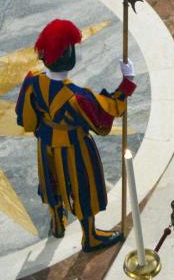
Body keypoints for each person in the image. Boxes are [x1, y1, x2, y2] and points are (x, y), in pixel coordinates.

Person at [16, 20, 137, 252]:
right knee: (83, 188)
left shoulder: (32, 80)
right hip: (75, 147)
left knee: (51, 183)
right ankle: (90, 236)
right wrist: (127, 82)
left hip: (46, 143)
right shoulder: (78, 98)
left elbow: (24, 118)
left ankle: (57, 222)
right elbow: (103, 121)